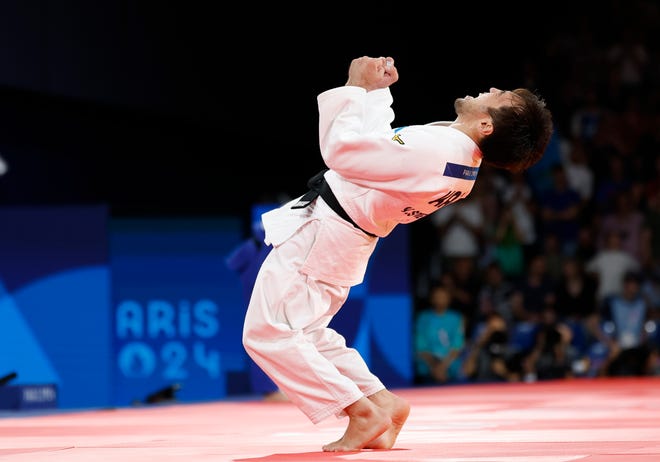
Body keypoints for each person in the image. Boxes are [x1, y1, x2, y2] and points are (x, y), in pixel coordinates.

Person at [242, 55, 553, 452]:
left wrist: (355, 85)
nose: (491, 90)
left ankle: (360, 411)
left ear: (487, 125)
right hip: (346, 235)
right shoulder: (460, 162)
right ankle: (382, 403)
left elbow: (344, 152)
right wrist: (376, 92)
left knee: (268, 333)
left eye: (501, 96)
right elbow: (380, 152)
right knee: (308, 333)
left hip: (327, 233)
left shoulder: (441, 148)